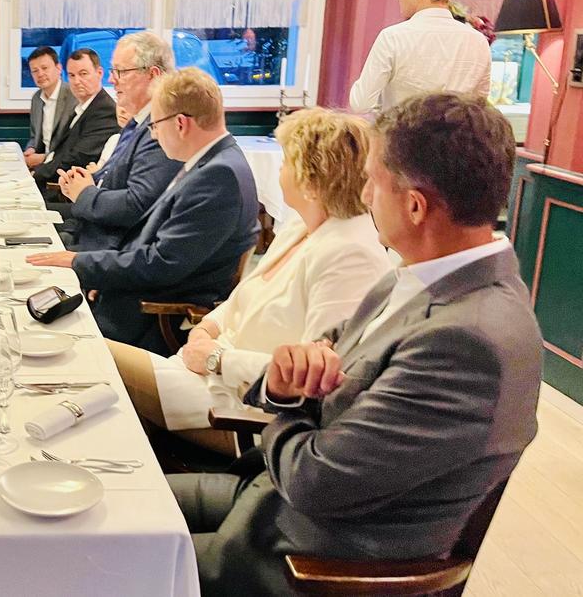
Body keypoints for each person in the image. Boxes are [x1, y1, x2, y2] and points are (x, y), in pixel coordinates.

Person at [169, 92, 541, 594]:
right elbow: (312, 363)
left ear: (414, 205)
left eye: (372, 182)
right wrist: (285, 384)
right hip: (267, 500)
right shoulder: (417, 276)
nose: (363, 196)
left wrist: (286, 408)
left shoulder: (467, 343)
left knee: (93, 558)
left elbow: (313, 480)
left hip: (306, 559)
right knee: (116, 500)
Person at [108, 107, 390, 451]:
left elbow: (313, 377)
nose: (280, 170)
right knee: (102, 397)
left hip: (241, 409)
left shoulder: (351, 254)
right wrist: (206, 328)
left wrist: (217, 359)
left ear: (312, 179)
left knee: (99, 358)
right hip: (205, 376)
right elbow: (243, 297)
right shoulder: (301, 227)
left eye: (286, 162)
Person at [29, 68, 259, 356]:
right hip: (133, 294)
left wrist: (81, 262)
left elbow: (160, 264)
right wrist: (101, 273)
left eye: (155, 125)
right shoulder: (213, 161)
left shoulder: (218, 176)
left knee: (36, 338)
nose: (154, 134)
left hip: (150, 318)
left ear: (180, 124)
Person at [54, 31, 181, 251]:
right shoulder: (138, 123)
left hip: (111, 251)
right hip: (92, 235)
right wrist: (87, 181)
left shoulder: (161, 128)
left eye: (120, 72)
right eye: (113, 71)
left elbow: (137, 204)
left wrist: (84, 193)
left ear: (153, 75)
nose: (111, 80)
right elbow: (117, 181)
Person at [349, 0, 491, 114]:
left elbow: (361, 103)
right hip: (458, 130)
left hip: (402, 129)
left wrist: (384, 112)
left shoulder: (393, 37)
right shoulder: (478, 41)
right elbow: (479, 106)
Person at [31, 48, 119, 192]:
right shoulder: (81, 107)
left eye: (83, 74)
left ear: (99, 73)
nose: (77, 81)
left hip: (71, 191)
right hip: (57, 181)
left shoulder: (105, 111)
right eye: (72, 75)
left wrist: (36, 174)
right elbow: (61, 152)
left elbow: (76, 159)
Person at [23, 46, 78, 170]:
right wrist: (31, 149)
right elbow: (34, 137)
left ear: (59, 68)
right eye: (35, 71)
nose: (40, 74)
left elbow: (73, 145)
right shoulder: (36, 99)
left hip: (63, 166)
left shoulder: (73, 96)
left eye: (44, 68)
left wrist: (45, 158)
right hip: (41, 165)